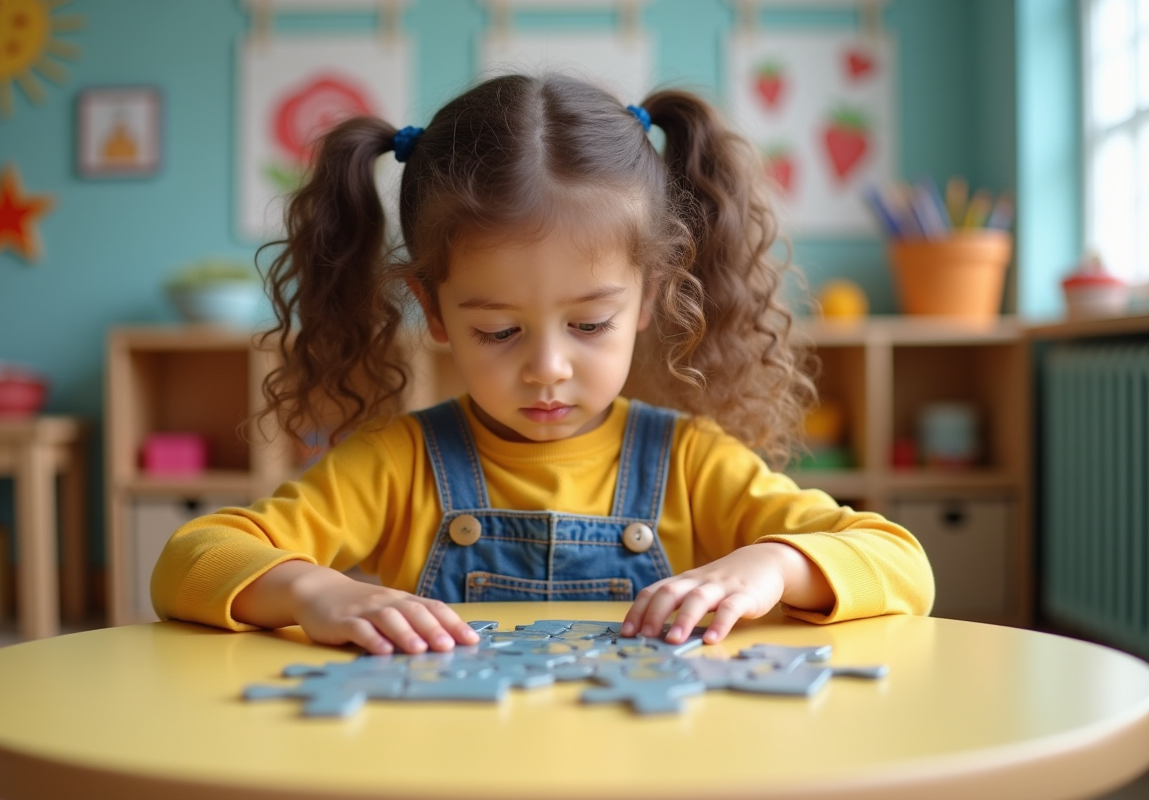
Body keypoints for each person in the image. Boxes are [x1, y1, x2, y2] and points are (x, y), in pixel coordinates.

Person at [151, 73, 933, 656]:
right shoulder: (398, 464)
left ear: (651, 297)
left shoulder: (691, 463)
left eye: (591, 323)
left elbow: (902, 564)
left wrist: (773, 564)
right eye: (498, 331)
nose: (548, 368)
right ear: (434, 310)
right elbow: (191, 558)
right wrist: (314, 589)